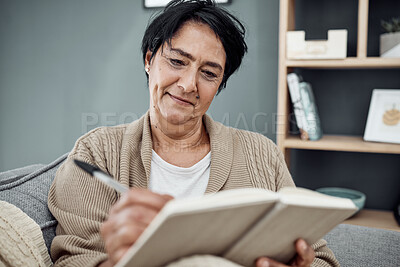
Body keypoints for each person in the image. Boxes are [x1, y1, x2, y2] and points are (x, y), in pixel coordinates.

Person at [48, 1, 340, 266]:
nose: (189, 84)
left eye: (209, 73)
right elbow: (74, 260)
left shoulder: (262, 154)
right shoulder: (96, 154)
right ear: (149, 60)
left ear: (219, 84)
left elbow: (321, 258)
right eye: (177, 61)